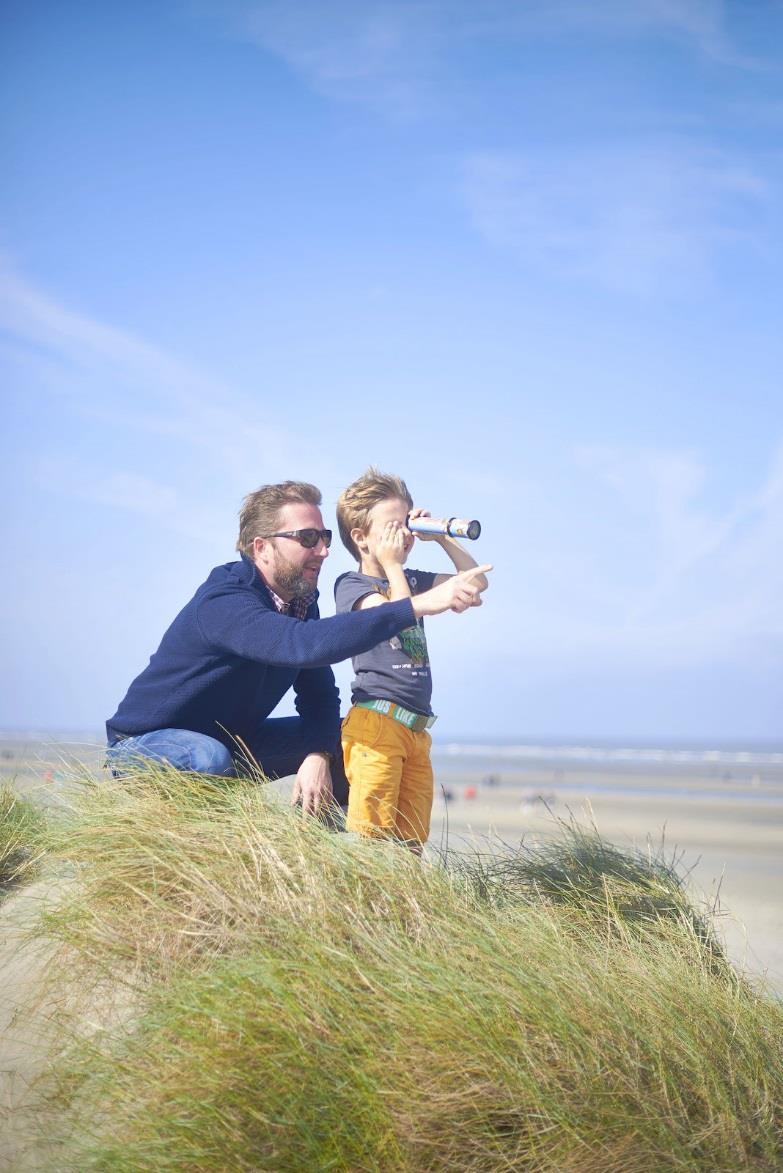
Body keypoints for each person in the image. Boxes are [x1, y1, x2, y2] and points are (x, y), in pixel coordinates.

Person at [106, 480, 490, 815]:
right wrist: (417, 605)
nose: (323, 550)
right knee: (207, 757)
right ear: (262, 547)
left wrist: (318, 754)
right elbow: (300, 646)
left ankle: (316, 851)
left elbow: (319, 696)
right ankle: (193, 837)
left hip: (234, 741)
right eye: (308, 539)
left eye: (323, 538)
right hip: (147, 745)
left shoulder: (300, 602)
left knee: (353, 744)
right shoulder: (225, 601)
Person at [335, 469, 490, 850]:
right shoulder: (352, 586)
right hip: (376, 725)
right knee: (372, 841)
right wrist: (391, 567)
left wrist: (438, 537)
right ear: (361, 538)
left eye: (406, 525)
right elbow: (396, 619)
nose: (404, 535)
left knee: (410, 844)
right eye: (392, 528)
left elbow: (475, 581)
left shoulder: (410, 578)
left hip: (416, 730)